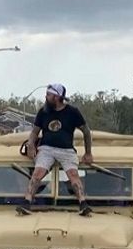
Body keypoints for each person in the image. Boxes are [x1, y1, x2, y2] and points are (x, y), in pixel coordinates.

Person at [17, 83, 94, 216]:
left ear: (57, 97)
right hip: (46, 149)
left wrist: (88, 153)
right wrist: (30, 145)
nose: (46, 97)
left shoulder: (72, 112)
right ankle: (27, 201)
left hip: (66, 150)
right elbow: (35, 132)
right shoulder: (43, 112)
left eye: (48, 94)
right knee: (37, 173)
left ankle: (82, 203)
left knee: (73, 175)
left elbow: (86, 131)